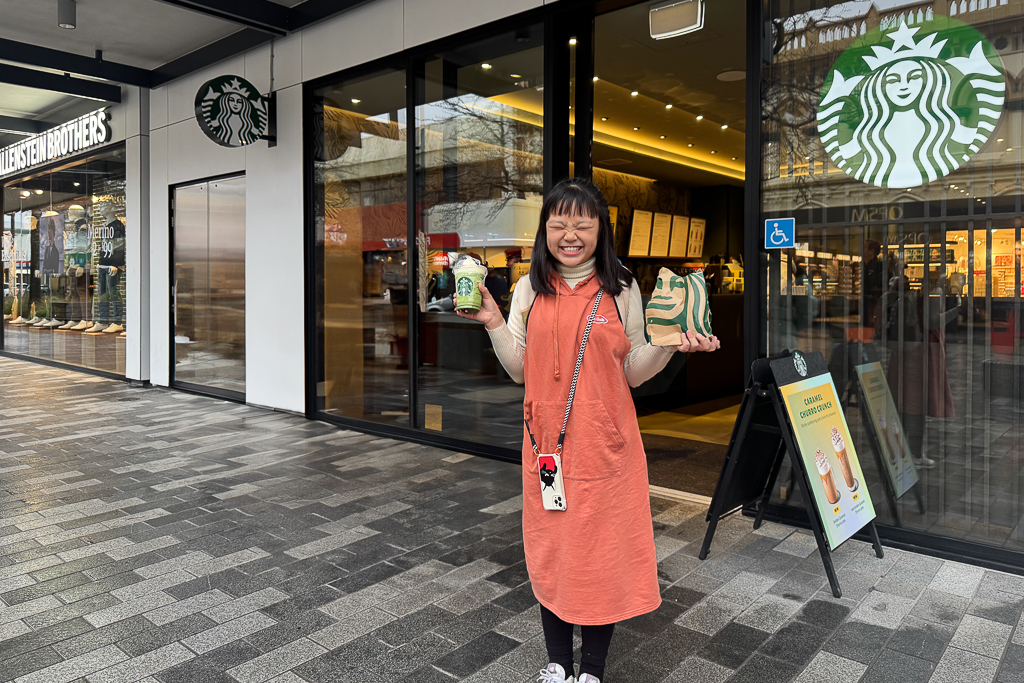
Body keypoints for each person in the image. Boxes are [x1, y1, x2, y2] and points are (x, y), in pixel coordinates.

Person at [455, 177, 719, 683]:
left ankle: (592, 670)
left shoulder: (622, 287)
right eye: (559, 224)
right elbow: (520, 370)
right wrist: (492, 322)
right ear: (545, 230)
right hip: (547, 450)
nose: (570, 235)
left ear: (601, 230)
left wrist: (667, 346)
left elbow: (634, 370)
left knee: (601, 556)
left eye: (582, 224)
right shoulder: (529, 288)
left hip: (606, 448)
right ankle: (558, 663)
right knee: (553, 551)